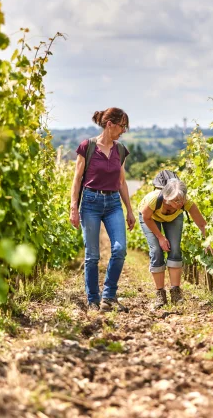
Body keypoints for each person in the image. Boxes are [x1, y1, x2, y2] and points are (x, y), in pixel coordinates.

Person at [70, 108, 136, 312]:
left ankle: (108, 296)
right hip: (90, 201)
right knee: (92, 255)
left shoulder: (121, 150)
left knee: (119, 249)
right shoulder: (87, 147)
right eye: (122, 126)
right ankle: (92, 300)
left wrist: (130, 210)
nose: (123, 130)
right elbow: (77, 178)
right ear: (110, 124)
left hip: (113, 203)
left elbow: (122, 182)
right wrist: (74, 207)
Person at [138, 179, 212, 309]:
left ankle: (176, 292)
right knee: (156, 251)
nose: (179, 203)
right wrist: (160, 237)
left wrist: (208, 241)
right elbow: (146, 217)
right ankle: (160, 294)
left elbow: (201, 223)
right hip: (150, 218)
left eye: (181, 200)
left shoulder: (186, 202)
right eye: (175, 201)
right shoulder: (154, 200)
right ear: (167, 198)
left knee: (175, 249)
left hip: (173, 218)